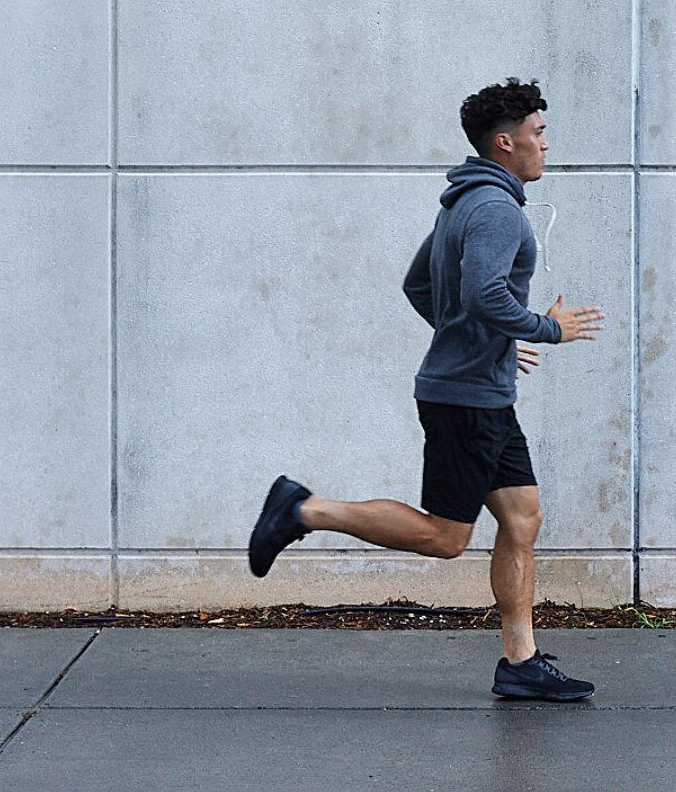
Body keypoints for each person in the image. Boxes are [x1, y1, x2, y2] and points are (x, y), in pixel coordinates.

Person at [247, 78, 605, 701]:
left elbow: (421, 286)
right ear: (505, 141)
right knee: (447, 537)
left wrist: (484, 339)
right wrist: (546, 328)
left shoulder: (464, 202)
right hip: (465, 399)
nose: (546, 145)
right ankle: (302, 509)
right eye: (538, 134)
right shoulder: (495, 209)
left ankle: (519, 663)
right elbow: (485, 295)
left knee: (522, 518)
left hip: (481, 391)